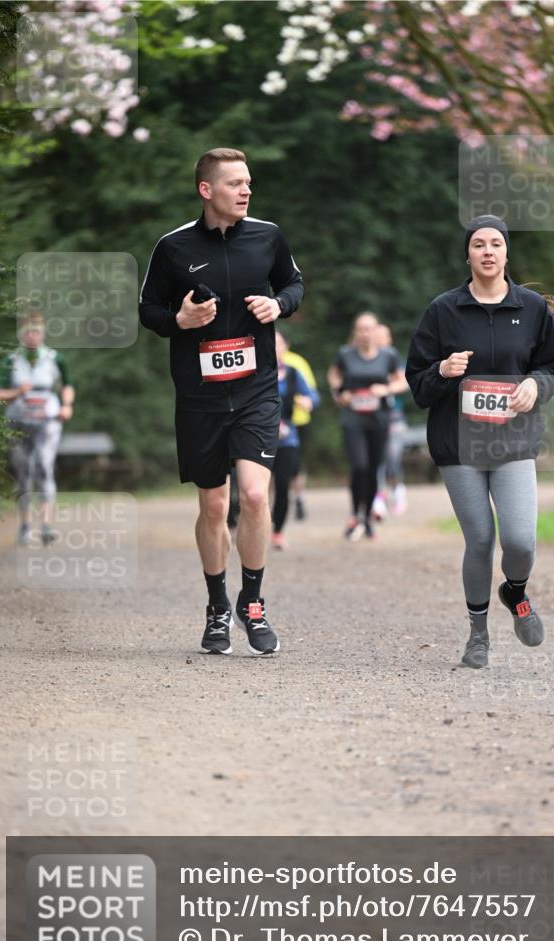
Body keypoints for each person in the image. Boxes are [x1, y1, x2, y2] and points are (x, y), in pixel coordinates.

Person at [139, 147, 304, 656]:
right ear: (207, 190)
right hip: (199, 396)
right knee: (213, 505)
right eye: (235, 183)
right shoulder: (173, 247)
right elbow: (148, 308)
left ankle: (252, 605)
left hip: (256, 389)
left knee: (254, 496)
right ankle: (216, 609)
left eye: (249, 182)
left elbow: (294, 284)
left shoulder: (268, 236)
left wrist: (278, 304)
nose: (246, 190)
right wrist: (178, 322)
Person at [406, 215, 554, 669]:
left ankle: (514, 591)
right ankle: (478, 636)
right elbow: (417, 383)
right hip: (459, 445)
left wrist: (536, 384)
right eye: (479, 244)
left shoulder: (532, 308)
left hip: (513, 442)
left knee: (520, 542)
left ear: (507, 253)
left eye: (496, 243)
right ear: (468, 254)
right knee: (479, 540)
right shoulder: (443, 310)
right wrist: (442, 371)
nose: (488, 251)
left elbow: (553, 368)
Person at [0, 312, 74, 545]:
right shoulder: (10, 360)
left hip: (48, 421)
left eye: (36, 331)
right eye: (28, 331)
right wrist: (18, 392)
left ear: (42, 333)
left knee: (44, 467)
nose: (32, 335)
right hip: (18, 423)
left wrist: (67, 405)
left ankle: (47, 525)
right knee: (24, 473)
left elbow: (68, 385)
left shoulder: (54, 358)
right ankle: (25, 525)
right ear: (22, 335)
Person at [327, 311, 408, 540]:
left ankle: (368, 517)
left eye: (369, 328)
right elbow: (334, 375)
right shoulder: (346, 354)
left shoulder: (388, 355)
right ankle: (355, 514)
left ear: (376, 330)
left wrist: (386, 389)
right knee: (359, 467)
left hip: (379, 420)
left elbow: (402, 382)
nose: (365, 333)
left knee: (373, 469)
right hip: (353, 420)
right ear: (355, 332)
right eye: (361, 329)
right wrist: (339, 393)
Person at [272, 331, 319, 550]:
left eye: (278, 344)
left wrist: (307, 401)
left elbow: (313, 396)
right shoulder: (253, 373)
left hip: (286, 438)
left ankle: (277, 532)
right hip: (255, 437)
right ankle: (246, 526)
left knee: (282, 486)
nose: (274, 348)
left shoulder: (292, 373)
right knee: (254, 490)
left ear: (285, 348)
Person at [372, 323, 409, 519]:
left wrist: (386, 388)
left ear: (389, 339)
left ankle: (398, 489)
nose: (379, 340)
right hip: (372, 418)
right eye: (375, 336)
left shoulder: (394, 359)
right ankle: (378, 498)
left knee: (393, 457)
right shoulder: (364, 359)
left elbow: (405, 384)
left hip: (395, 417)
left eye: (382, 337)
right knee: (377, 459)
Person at [281, 332, 318, 521]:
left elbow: (311, 393)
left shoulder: (297, 363)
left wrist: (306, 401)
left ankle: (299, 498)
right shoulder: (262, 359)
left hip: (298, 421)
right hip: (272, 423)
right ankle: (275, 504)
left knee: (295, 466)